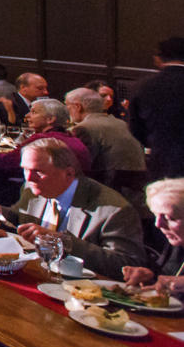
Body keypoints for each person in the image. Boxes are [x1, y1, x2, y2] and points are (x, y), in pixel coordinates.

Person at [0, 139, 146, 279]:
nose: (29, 178)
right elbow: (22, 219)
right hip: (36, 275)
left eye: (38, 171)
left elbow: (127, 265)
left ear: (69, 174)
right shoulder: (33, 189)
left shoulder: (114, 210)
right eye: (25, 170)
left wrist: (63, 242)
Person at [0, 98, 93, 174]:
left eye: (34, 112)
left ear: (50, 119)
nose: (27, 115)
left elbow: (5, 162)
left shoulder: (41, 140)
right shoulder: (70, 136)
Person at [65, 88, 146, 183]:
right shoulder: (122, 123)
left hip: (111, 188)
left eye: (67, 105)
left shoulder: (83, 128)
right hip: (137, 186)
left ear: (78, 107)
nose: (67, 110)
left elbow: (81, 166)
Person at [130, 37, 184, 178]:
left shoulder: (143, 86)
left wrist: (157, 142)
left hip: (162, 162)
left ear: (158, 58)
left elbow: (136, 129)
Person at [121, 178, 184, 295]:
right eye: (155, 215)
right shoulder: (177, 245)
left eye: (170, 218)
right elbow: (166, 279)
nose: (158, 224)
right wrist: (149, 277)